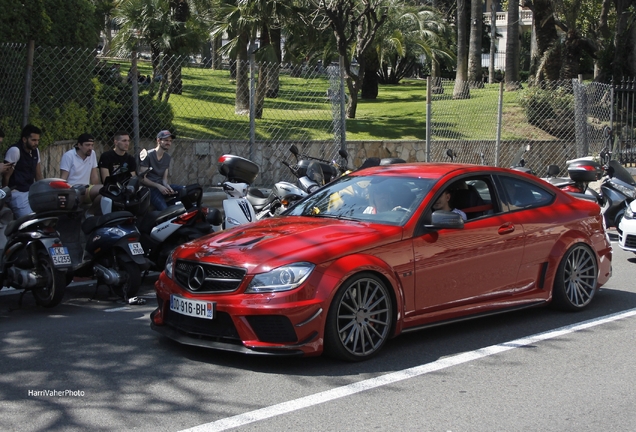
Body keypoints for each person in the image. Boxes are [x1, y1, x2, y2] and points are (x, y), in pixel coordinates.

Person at [3, 124, 43, 218]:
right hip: (16, 192)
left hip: (30, 190)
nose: (36, 143)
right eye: (33, 140)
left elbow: (38, 174)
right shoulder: (15, 151)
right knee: (28, 220)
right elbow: (6, 176)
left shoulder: (35, 151)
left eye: (37, 140)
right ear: (24, 139)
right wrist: (5, 198)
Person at [139, 130, 184, 211]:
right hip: (150, 190)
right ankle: (166, 208)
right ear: (158, 140)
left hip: (162, 187)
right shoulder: (148, 155)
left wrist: (167, 186)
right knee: (165, 211)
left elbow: (164, 179)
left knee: (187, 190)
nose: (169, 143)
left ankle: (170, 205)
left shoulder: (167, 157)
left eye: (170, 141)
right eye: (166, 140)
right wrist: (158, 186)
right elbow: (142, 178)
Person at [60, 133, 103, 215]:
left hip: (86, 188)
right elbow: (63, 178)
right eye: (87, 145)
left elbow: (94, 175)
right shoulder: (69, 156)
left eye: (92, 145)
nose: (90, 148)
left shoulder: (92, 154)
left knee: (104, 190)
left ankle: (90, 213)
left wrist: (94, 189)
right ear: (79, 145)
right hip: (72, 189)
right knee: (80, 191)